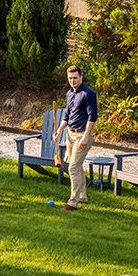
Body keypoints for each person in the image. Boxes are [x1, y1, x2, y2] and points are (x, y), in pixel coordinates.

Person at [56, 64, 99, 211]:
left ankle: (72, 203)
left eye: (75, 78)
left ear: (81, 77)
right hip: (70, 134)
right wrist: (60, 129)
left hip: (82, 135)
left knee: (73, 168)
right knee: (78, 166)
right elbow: (67, 115)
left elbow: (92, 117)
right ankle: (83, 197)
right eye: (70, 78)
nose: (72, 81)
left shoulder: (88, 94)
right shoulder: (69, 93)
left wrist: (86, 137)